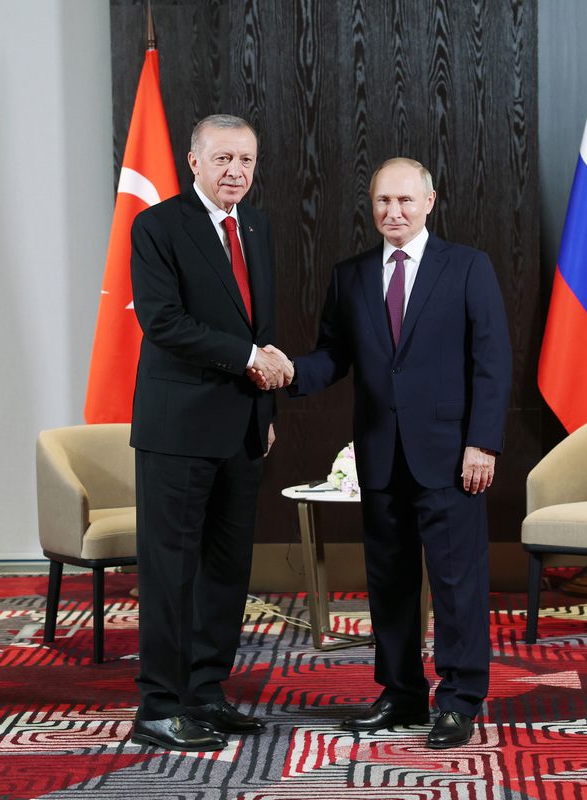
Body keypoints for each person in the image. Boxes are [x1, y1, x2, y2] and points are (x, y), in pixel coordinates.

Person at [263, 157, 512, 749]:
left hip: (452, 456)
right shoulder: (349, 276)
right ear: (370, 206)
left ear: (430, 201)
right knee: (390, 584)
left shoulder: (467, 268)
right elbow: (332, 355)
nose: (393, 212)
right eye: (382, 202)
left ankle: (458, 700)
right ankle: (401, 693)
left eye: (404, 201)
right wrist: (289, 371)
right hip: (379, 455)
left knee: (457, 583)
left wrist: (483, 442)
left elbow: (492, 362)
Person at [129, 114, 292, 752]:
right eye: (223, 159)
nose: (235, 172)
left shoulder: (256, 225)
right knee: (171, 571)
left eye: (246, 161)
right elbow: (164, 322)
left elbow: (263, 323)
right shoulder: (158, 226)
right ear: (192, 161)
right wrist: (252, 362)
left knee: (225, 571)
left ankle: (205, 693)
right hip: (178, 429)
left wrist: (266, 412)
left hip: (242, 427)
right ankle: (159, 705)